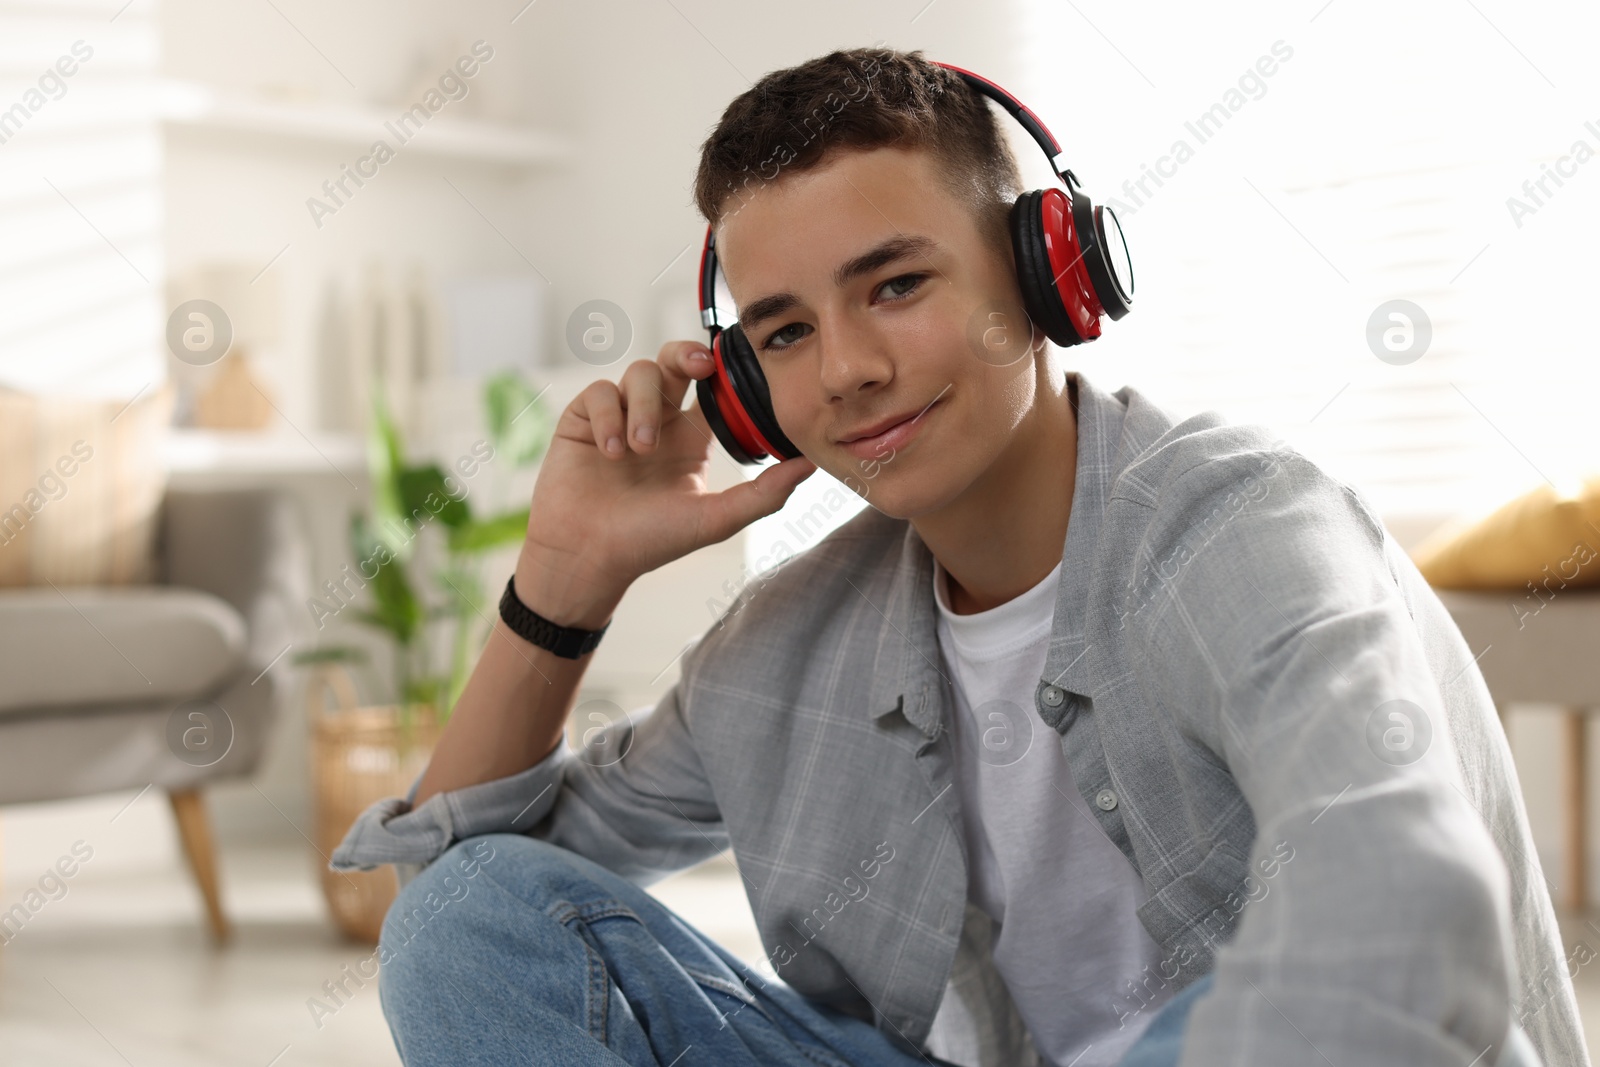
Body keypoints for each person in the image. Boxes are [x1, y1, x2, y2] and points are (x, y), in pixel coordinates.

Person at [332, 46, 1585, 1067]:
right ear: (749, 387)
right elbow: (453, 901)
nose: (846, 369)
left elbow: (1410, 898)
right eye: (784, 330)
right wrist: (568, 573)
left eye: (893, 286)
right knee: (464, 926)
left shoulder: (1242, 531)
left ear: (1049, 272)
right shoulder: (785, 644)